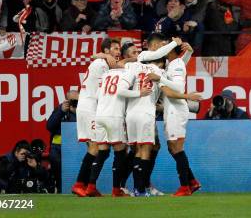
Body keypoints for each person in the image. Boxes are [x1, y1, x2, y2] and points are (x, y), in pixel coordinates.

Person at [85, 49, 148, 197]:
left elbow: (96, 95)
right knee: (120, 153)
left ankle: (91, 186)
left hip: (100, 115)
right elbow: (121, 91)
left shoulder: (106, 74)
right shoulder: (128, 74)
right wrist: (140, 93)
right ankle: (115, 190)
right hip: (114, 116)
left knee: (102, 152)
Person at [146, 39, 203, 196]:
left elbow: (178, 87)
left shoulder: (175, 64)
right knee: (173, 148)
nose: (163, 47)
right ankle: (192, 181)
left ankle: (185, 187)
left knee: (176, 148)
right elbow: (180, 63)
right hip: (171, 109)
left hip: (176, 110)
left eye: (166, 46)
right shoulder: (174, 63)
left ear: (171, 51)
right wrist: (189, 52)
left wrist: (159, 79)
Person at [71, 38, 121, 197]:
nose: (118, 52)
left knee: (100, 149)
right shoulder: (100, 65)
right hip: (90, 109)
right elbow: (103, 92)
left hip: (90, 108)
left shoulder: (101, 63)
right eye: (115, 49)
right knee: (95, 148)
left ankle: (88, 186)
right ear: (106, 51)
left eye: (119, 49)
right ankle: (79, 184)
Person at [123, 45, 167, 197]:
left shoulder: (131, 67)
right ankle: (141, 189)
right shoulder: (159, 72)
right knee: (146, 150)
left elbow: (120, 68)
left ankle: (137, 189)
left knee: (136, 150)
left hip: (130, 114)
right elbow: (170, 91)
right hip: (146, 113)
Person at [46, 90, 78, 193]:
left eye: (78, 100)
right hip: (59, 148)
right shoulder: (60, 110)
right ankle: (60, 189)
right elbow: (49, 126)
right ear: (67, 100)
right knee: (58, 168)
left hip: (77, 148)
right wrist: (61, 111)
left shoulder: (83, 110)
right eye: (73, 101)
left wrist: (77, 113)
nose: (76, 103)